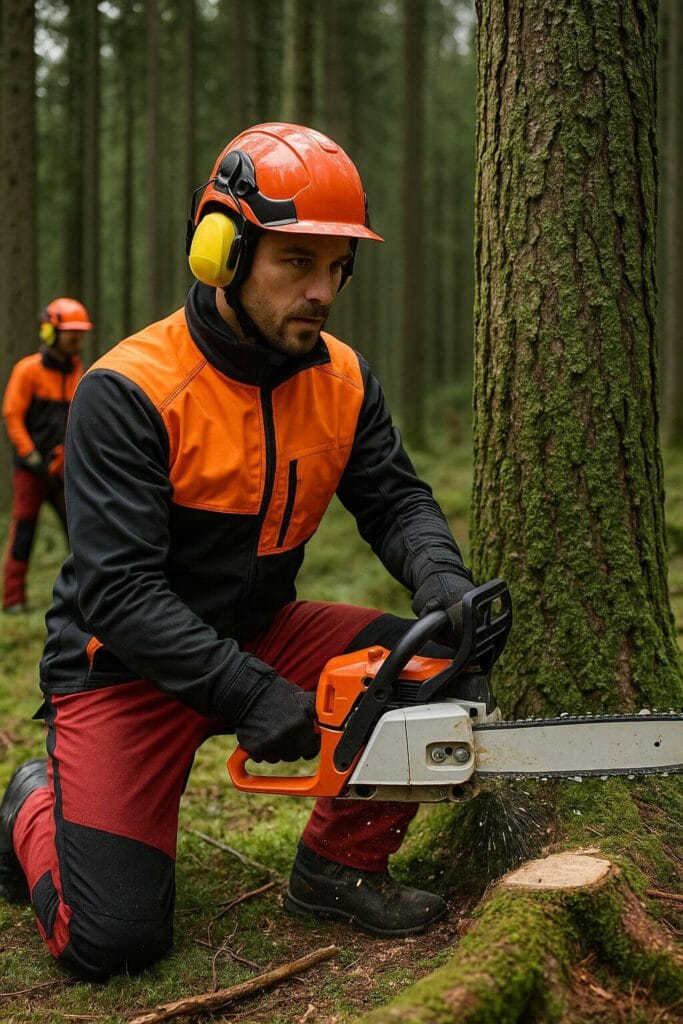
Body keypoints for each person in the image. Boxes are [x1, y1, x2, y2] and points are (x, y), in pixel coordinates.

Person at [0, 123, 480, 980]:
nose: (322, 291)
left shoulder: (343, 379)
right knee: (111, 941)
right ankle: (31, 803)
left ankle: (338, 868)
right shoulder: (128, 390)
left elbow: (396, 499)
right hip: (125, 668)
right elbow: (114, 592)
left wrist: (439, 574)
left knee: (431, 656)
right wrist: (245, 689)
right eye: (296, 262)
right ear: (222, 250)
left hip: (262, 630)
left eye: (336, 266)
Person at [1, 299, 92, 613]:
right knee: (24, 529)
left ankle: (85, 592)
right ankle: (12, 598)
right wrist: (30, 455)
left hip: (63, 468)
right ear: (51, 332)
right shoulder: (28, 370)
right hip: (31, 470)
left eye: (79, 334)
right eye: (70, 333)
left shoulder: (78, 371)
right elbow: (12, 415)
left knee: (79, 529)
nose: (76, 340)